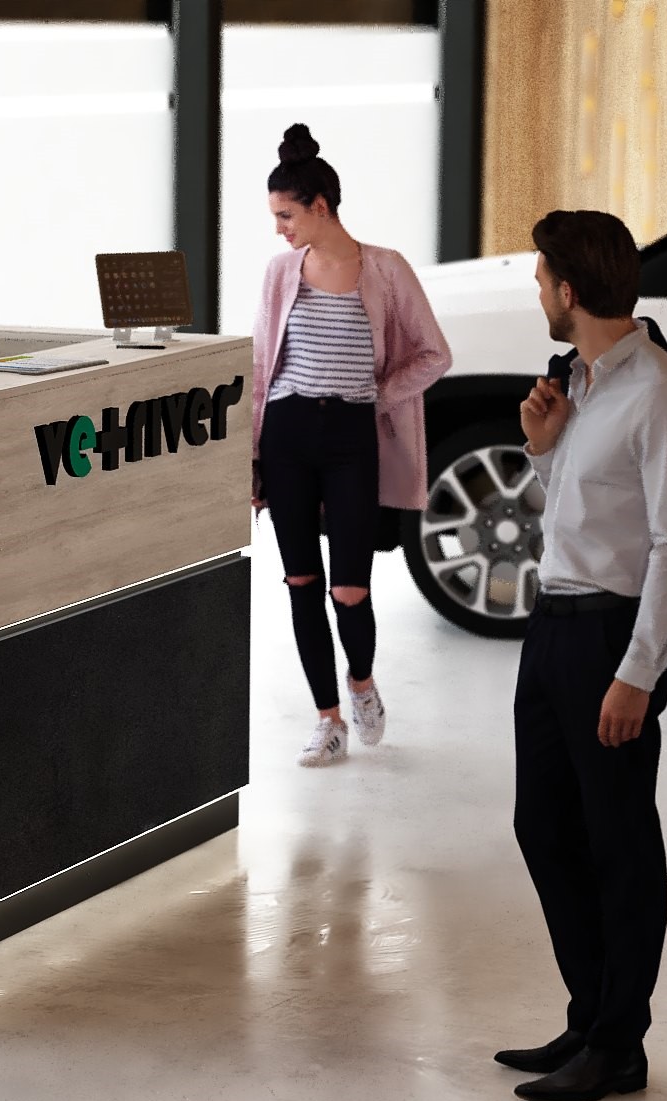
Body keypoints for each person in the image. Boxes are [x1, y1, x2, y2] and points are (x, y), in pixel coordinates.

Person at [498, 210, 667, 1101]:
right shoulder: (578, 384)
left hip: (611, 639)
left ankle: (620, 1044)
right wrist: (545, 452)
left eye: (541, 281)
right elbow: (584, 515)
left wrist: (637, 673)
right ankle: (591, 1016)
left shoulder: (660, 392)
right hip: (553, 626)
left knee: (618, 839)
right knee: (543, 826)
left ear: (570, 291)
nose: (538, 294)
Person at [250, 123, 450, 765]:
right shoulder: (281, 273)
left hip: (350, 440)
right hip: (286, 437)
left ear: (320, 206)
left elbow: (435, 353)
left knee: (350, 589)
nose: (279, 228)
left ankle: (361, 685)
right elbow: (262, 370)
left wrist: (377, 395)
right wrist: (252, 459)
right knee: (300, 581)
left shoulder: (386, 268)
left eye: (286, 215)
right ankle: (327, 720)